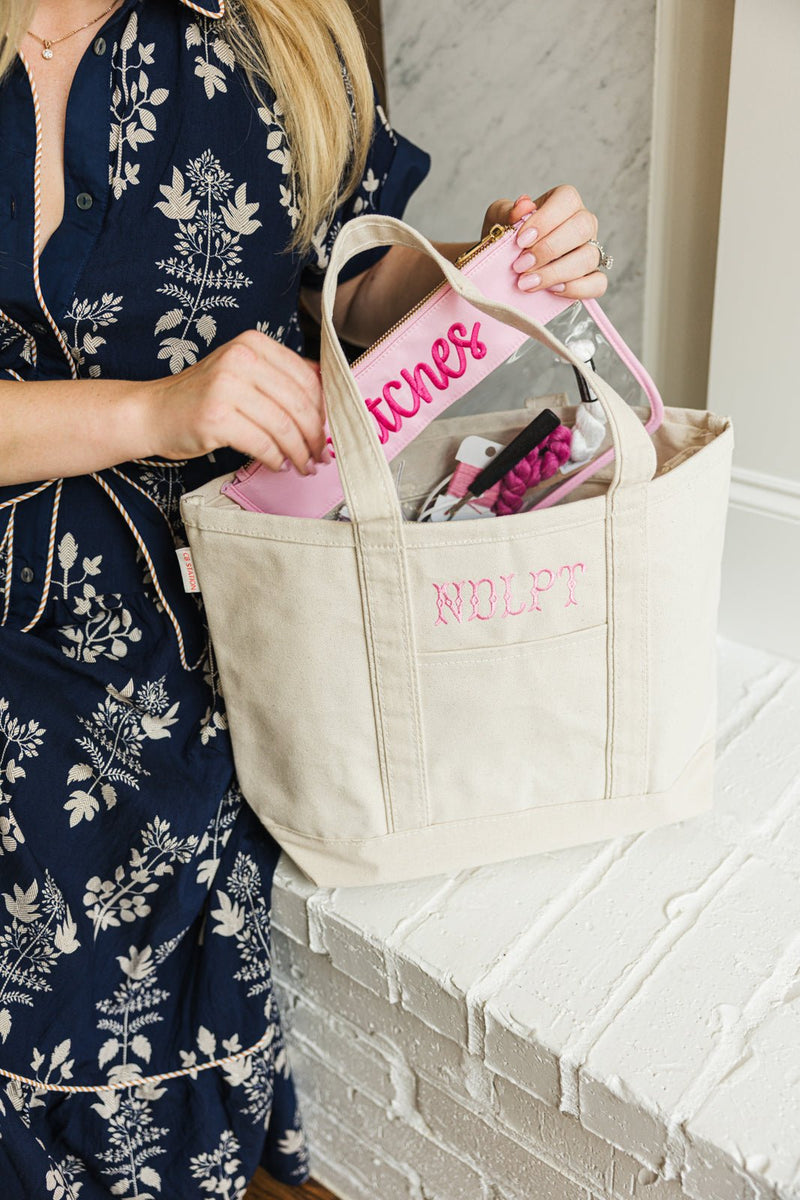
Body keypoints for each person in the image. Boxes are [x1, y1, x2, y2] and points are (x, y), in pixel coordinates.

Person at [0, 0, 608, 1193]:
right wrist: (155, 409)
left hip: (227, 621)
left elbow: (332, 289)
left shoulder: (268, 34)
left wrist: (466, 274)